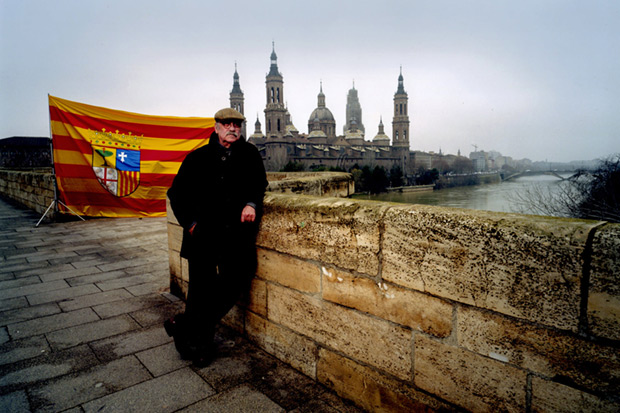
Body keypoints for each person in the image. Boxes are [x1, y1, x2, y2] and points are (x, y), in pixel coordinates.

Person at [165, 107, 267, 367]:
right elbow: (176, 194)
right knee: (201, 291)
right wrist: (190, 224)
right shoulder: (197, 157)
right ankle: (198, 346)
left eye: (237, 124)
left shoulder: (250, 154)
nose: (233, 128)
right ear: (216, 127)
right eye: (227, 124)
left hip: (235, 236)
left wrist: (251, 204)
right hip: (202, 236)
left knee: (240, 274)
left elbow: (258, 185)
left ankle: (186, 325)